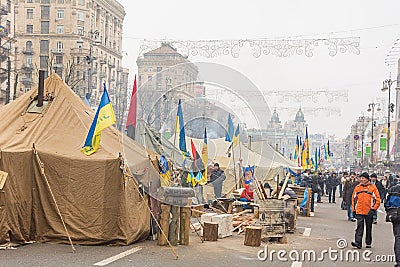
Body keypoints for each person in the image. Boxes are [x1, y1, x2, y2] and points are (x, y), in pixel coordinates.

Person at [351, 172, 380, 249]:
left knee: (368, 227)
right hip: (359, 210)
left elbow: (377, 200)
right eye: (361, 178)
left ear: (367, 179)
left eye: (363, 178)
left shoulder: (373, 188)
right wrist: (353, 210)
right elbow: (353, 199)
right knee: (359, 227)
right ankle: (358, 242)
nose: (361, 179)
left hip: (369, 211)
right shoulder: (357, 187)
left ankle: (368, 242)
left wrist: (373, 209)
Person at [384, 177, 400, 267]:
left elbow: (387, 203)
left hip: (396, 216)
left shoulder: (393, 189)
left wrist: (390, 212)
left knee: (398, 238)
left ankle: (399, 261)